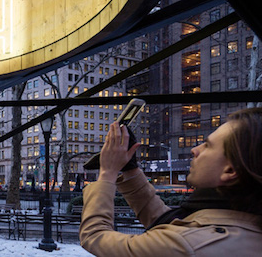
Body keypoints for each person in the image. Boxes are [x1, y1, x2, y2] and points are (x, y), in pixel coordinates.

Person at [79, 107, 262, 256]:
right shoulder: (243, 222)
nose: (195, 150)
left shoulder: (189, 245)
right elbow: (165, 221)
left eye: (207, 145)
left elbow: (95, 237)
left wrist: (107, 173)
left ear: (230, 170)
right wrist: (130, 169)